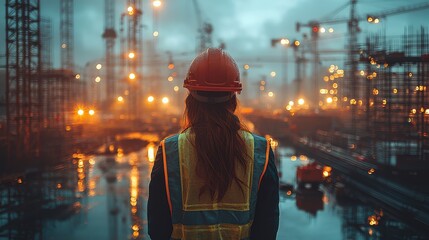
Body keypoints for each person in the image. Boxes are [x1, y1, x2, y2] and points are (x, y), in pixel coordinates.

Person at [147, 48, 279, 240]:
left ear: (189, 100)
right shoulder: (260, 151)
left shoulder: (169, 151)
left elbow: (158, 229)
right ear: (233, 100)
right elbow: (267, 229)